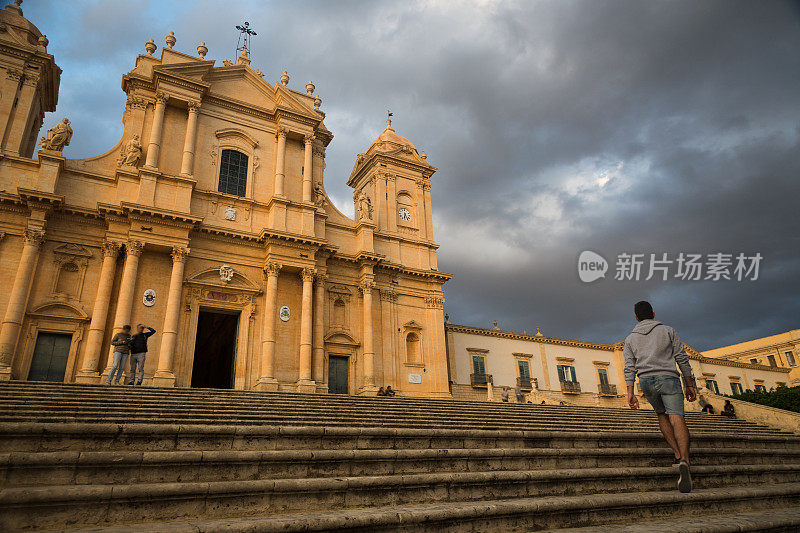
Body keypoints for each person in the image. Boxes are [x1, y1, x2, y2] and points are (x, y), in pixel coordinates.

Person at [624, 300, 696, 493]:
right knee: (677, 417)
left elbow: (629, 367)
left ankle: (676, 453)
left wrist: (630, 392)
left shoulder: (630, 339)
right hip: (668, 378)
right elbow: (682, 358)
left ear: (636, 317)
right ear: (654, 314)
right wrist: (689, 384)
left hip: (646, 381)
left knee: (662, 416)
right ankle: (685, 460)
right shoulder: (668, 331)